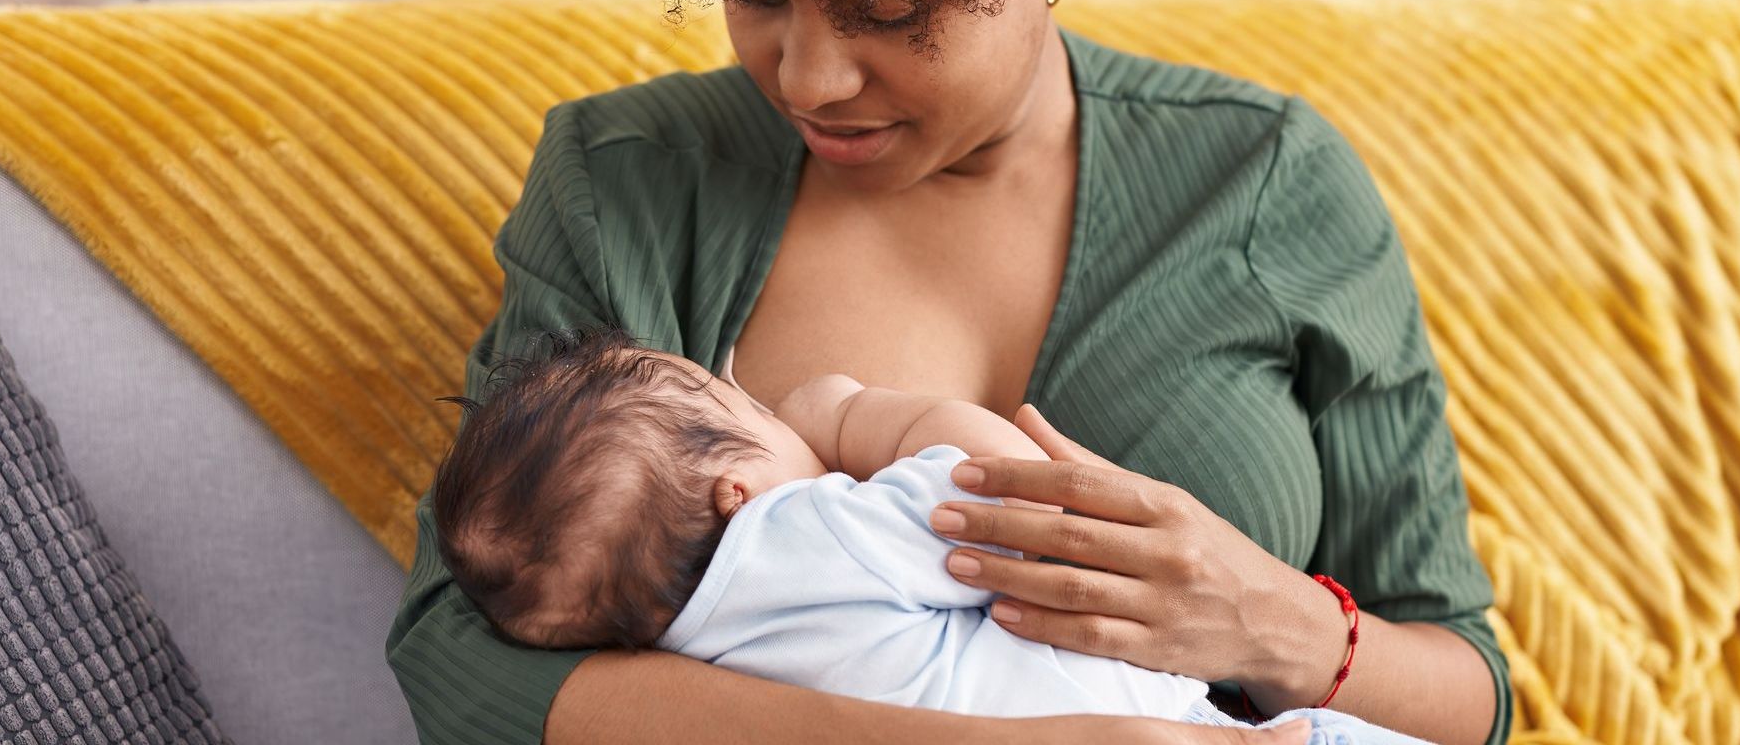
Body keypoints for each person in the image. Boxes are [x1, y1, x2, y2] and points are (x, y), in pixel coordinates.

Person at [384, 0, 1512, 743]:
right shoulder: (630, 178)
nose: (809, 80)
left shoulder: (1265, 177)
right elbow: (458, 656)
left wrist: (1270, 620)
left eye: (891, 3)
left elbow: (1468, 695)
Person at [422, 325, 1433, 744]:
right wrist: (851, 412)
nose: (775, 412)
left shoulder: (688, 647)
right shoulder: (809, 534)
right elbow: (997, 487)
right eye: (750, 409)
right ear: (739, 492)